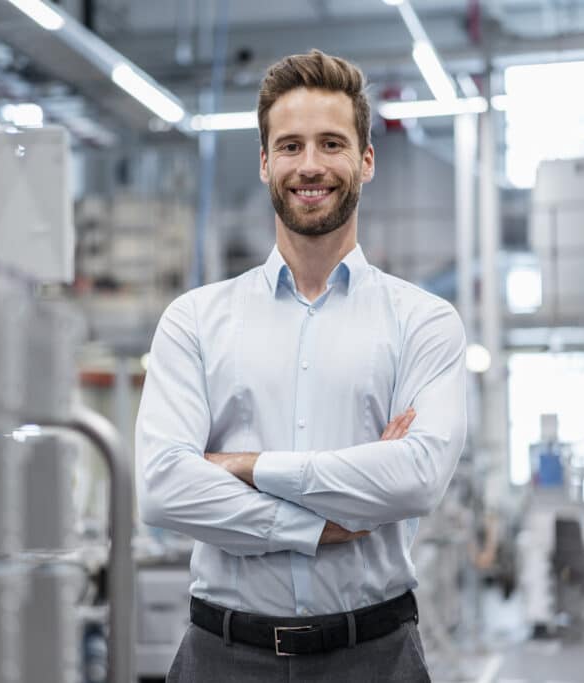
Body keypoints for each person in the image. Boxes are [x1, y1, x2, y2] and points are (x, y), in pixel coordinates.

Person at [136, 49, 467, 681]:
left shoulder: (422, 321)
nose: (309, 166)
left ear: (366, 160)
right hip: (221, 658)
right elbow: (161, 488)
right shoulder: (195, 320)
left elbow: (416, 477)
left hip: (376, 656)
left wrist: (243, 466)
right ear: (264, 163)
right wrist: (313, 526)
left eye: (331, 144)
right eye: (289, 146)